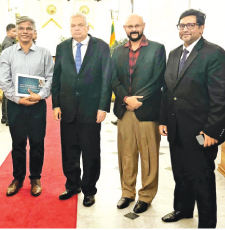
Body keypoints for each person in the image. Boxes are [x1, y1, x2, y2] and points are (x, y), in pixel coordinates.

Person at [159, 9, 225, 228]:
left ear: (201, 28)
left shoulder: (214, 53)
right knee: (181, 173)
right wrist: (163, 120)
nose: (185, 29)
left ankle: (207, 223)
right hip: (176, 128)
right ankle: (183, 209)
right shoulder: (174, 53)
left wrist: (212, 132)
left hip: (200, 133)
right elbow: (168, 91)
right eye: (181, 25)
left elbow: (220, 97)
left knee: (202, 178)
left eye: (190, 25)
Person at [52, 12, 111, 207]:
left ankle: (89, 190)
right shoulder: (61, 48)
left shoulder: (101, 46)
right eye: (73, 26)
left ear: (87, 27)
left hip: (91, 110)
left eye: (80, 25)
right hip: (67, 109)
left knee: (90, 151)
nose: (76, 28)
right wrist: (56, 104)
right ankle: (72, 185)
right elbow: (57, 78)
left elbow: (106, 78)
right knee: (69, 150)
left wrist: (103, 106)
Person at [112, 14, 166, 213]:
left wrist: (137, 100)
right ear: (125, 28)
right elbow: (113, 79)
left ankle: (146, 195)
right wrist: (126, 99)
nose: (133, 29)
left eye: (137, 25)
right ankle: (127, 192)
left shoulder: (157, 49)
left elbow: (158, 79)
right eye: (130, 26)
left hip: (148, 111)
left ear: (143, 26)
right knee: (126, 154)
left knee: (149, 156)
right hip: (124, 110)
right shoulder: (117, 51)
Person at [0, 16, 54, 197]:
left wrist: (41, 95)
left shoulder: (44, 53)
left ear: (33, 31)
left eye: (28, 28)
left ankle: (35, 178)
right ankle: (17, 178)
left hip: (37, 105)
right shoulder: (7, 53)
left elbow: (50, 78)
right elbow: (4, 80)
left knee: (37, 143)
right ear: (16, 31)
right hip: (16, 106)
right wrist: (16, 98)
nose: (24, 31)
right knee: (18, 143)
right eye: (21, 28)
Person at [1, 23, 17, 126]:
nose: (16, 33)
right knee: (8, 95)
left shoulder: (11, 42)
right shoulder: (8, 44)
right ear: (8, 32)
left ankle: (4, 117)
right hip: (9, 72)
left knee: (6, 95)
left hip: (8, 71)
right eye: (14, 31)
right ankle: (7, 118)